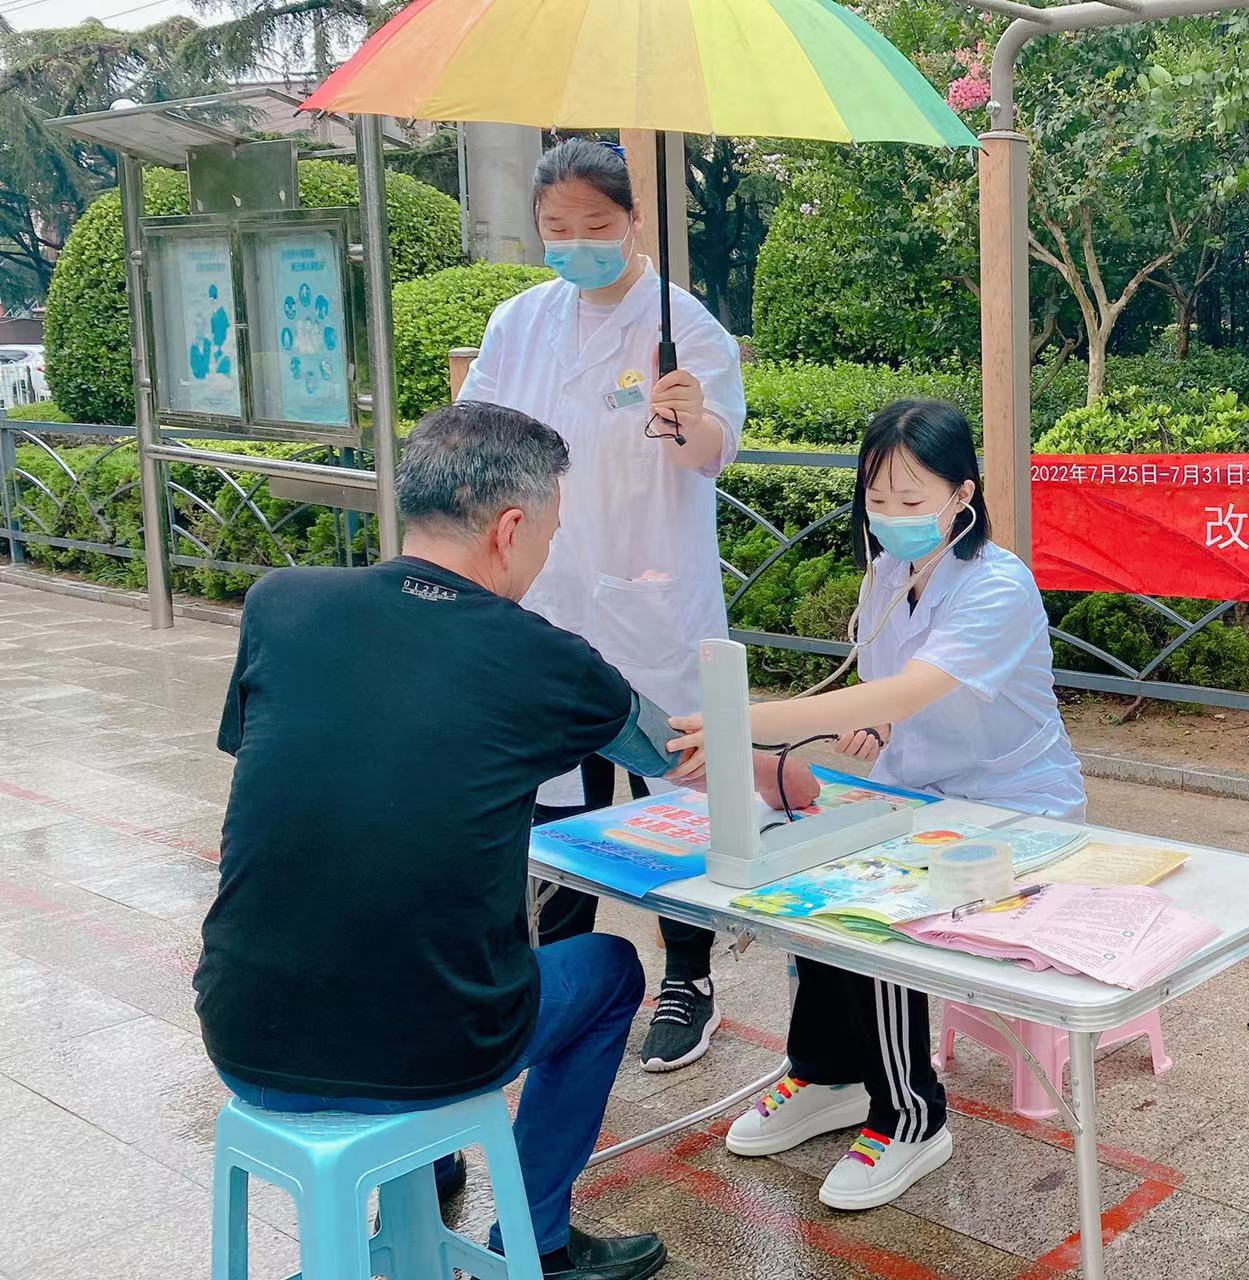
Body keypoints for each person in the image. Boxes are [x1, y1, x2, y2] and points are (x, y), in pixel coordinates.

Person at [194, 403, 680, 1280]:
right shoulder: (544, 657)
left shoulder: (281, 604)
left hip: (242, 1036)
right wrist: (779, 764)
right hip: (437, 1049)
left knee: (378, 927)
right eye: (549, 536)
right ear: (511, 529)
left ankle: (426, 1169)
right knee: (610, 971)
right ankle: (540, 1244)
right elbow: (668, 751)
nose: (545, 556)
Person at [665, 400, 1086, 1212]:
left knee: (874, 903)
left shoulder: (998, 586)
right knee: (816, 873)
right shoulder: (889, 575)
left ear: (963, 495)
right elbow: (884, 692)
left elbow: (912, 686)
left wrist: (742, 721)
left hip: (1013, 807)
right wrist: (875, 722)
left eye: (911, 499)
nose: (891, 516)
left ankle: (910, 1112)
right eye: (877, 499)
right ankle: (828, 1075)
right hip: (918, 794)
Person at [459, 136, 748, 1073]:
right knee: (555, 799)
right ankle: (558, 979)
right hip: (544, 594)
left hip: (651, 601)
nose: (575, 242)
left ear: (633, 221)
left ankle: (688, 977)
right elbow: (481, 435)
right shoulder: (519, 322)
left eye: (595, 224)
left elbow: (713, 453)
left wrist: (688, 419)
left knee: (671, 795)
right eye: (557, 227)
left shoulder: (684, 324)